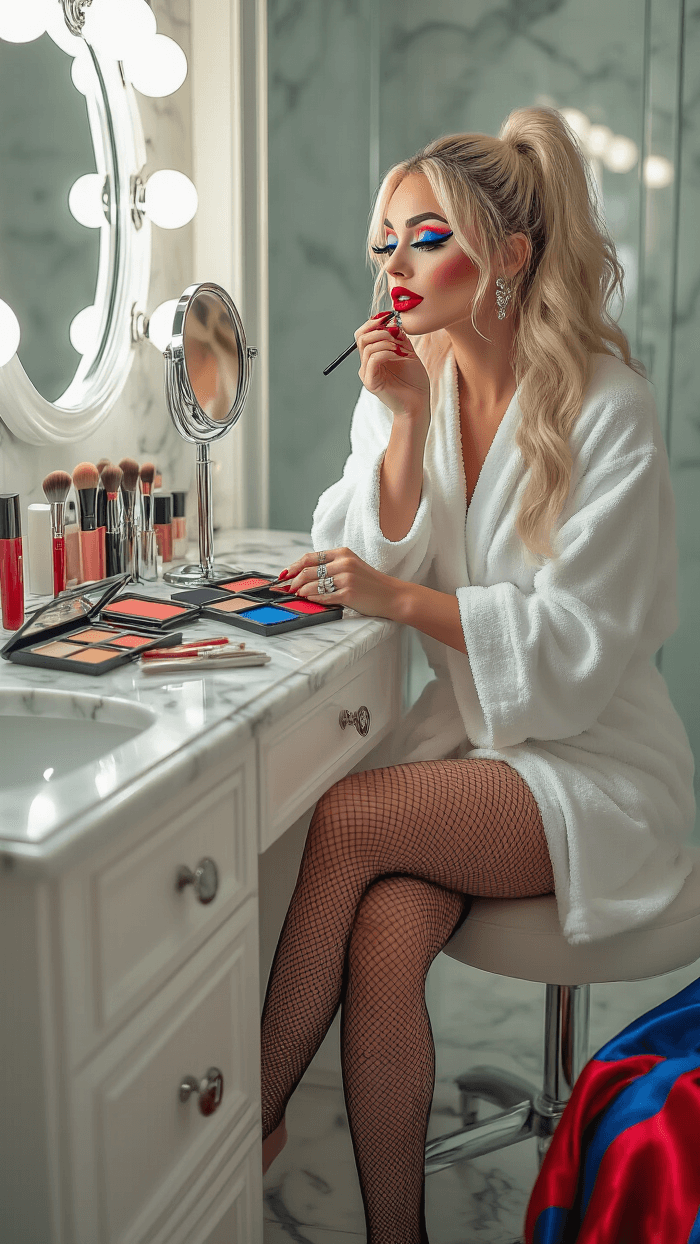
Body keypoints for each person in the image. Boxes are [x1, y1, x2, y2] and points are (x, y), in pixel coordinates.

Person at [260, 107, 696, 1244]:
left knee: (351, 822)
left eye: (425, 239)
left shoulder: (607, 407)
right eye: (382, 246)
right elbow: (368, 543)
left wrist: (398, 600)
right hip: (477, 749)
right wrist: (401, 426)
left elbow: (572, 649)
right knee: (383, 930)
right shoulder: (413, 377)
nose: (394, 269)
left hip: (595, 761)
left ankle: (242, 1119)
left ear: (507, 255)